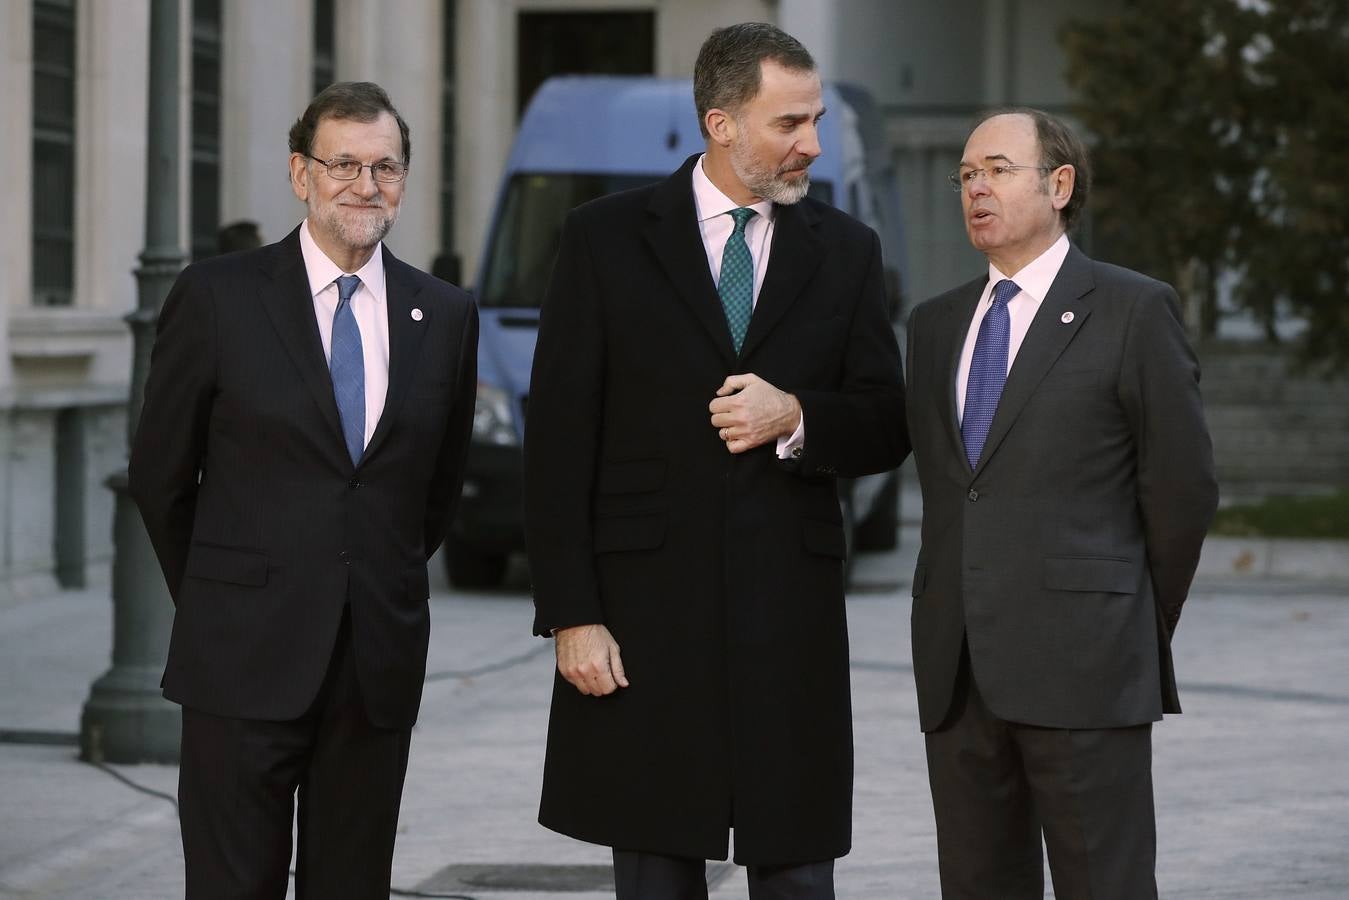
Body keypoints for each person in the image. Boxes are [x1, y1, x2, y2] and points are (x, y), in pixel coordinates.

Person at [523, 22, 908, 900]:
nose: (810, 144)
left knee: (799, 871)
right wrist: (571, 615)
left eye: (814, 121)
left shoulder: (846, 250)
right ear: (721, 123)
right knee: (656, 870)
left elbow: (887, 422)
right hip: (644, 615)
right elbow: (557, 447)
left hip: (789, 614)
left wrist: (799, 414)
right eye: (788, 124)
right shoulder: (603, 238)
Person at [129, 81, 478, 899]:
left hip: (373, 668)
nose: (366, 186)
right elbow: (160, 477)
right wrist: (227, 594)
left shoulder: (446, 314)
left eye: (385, 167)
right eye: (344, 164)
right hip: (240, 660)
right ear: (300, 174)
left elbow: (433, 491)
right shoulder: (219, 297)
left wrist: (365, 581)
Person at [904, 107, 1218, 898]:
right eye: (965, 174)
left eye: (997, 170)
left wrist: (1128, 617)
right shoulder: (935, 325)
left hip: (1085, 666)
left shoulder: (1132, 309)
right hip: (958, 670)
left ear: (1059, 184)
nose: (975, 187)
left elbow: (1181, 488)